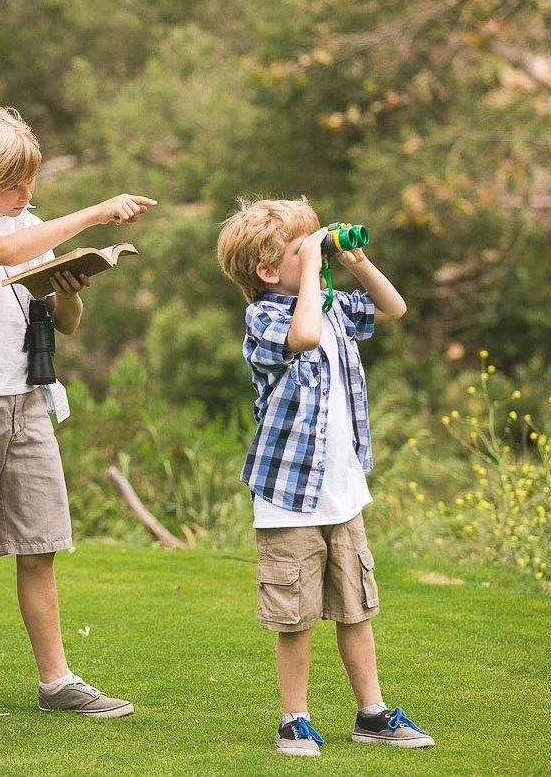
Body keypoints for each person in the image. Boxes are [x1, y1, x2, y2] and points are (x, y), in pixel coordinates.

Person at [0, 106, 155, 725]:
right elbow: (2, 251)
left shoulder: (29, 224)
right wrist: (96, 213)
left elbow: (64, 323)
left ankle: (57, 680)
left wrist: (66, 289)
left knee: (39, 546)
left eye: (30, 182)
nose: (26, 195)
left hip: (28, 397)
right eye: (13, 184)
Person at [216, 196, 434, 756]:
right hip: (289, 498)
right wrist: (314, 269)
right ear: (268, 272)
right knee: (296, 616)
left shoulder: (331, 307)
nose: (316, 253)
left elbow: (393, 308)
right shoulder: (265, 319)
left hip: (341, 492)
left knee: (356, 608)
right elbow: (305, 335)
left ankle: (372, 713)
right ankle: (294, 719)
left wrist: (356, 262)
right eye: (300, 250)